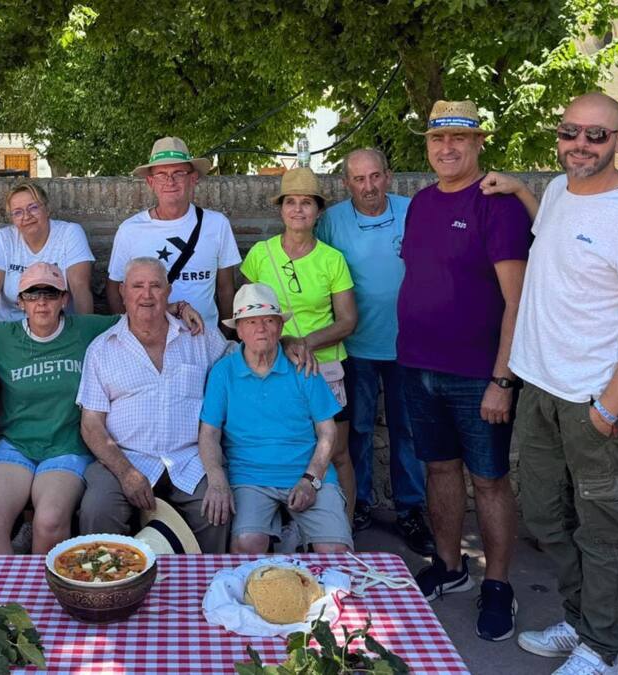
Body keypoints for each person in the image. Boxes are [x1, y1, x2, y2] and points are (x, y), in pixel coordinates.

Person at [483, 93, 618, 675]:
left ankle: (603, 649)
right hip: (541, 387)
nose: (581, 144)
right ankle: (579, 619)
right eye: (571, 132)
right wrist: (520, 190)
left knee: (605, 530)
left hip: (596, 402)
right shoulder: (563, 192)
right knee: (545, 515)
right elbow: (556, 236)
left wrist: (609, 408)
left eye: (596, 135)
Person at [0, 263, 204, 555]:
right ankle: (0, 607)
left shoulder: (89, 329)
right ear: (20, 301)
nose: (42, 302)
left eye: (51, 293)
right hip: (15, 446)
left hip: (66, 446)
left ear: (64, 299)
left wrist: (178, 308)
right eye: (33, 294)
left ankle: (44, 606)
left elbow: (141, 313)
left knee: (50, 520)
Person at [398, 100, 531, 642]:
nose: (446, 148)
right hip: (417, 364)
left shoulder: (497, 205)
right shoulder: (421, 204)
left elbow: (517, 301)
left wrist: (503, 379)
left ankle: (497, 584)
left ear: (479, 144)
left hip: (479, 373)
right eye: (437, 139)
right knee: (439, 470)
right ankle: (450, 566)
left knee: (491, 480)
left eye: (459, 139)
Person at [317, 148, 433, 555]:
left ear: (389, 175)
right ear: (346, 183)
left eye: (375, 177)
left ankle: (410, 510)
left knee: (408, 432)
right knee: (360, 429)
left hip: (408, 344)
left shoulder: (414, 211)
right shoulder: (331, 221)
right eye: (358, 179)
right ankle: (359, 503)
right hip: (355, 347)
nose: (368, 187)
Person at [78, 257, 231, 553]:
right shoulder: (102, 348)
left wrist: (287, 342)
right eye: (137, 286)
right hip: (125, 458)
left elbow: (243, 360)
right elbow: (91, 423)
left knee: (216, 510)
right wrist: (125, 472)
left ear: (169, 291)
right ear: (122, 292)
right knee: (97, 509)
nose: (146, 295)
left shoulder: (199, 338)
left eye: (155, 286)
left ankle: (207, 592)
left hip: (189, 458)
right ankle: (108, 591)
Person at [238, 168, 359, 527]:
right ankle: (287, 528)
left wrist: (302, 343)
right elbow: (244, 311)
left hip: (326, 368)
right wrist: (283, 343)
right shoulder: (261, 254)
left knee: (337, 453)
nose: (298, 210)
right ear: (281, 210)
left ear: (318, 211)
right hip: (273, 368)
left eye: (306, 203)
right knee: (286, 449)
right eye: (291, 202)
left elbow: (348, 321)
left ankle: (343, 527)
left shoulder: (331, 259)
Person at [199, 283, 351, 554]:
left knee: (335, 551)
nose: (261, 328)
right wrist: (216, 476)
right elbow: (209, 432)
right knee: (247, 546)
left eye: (270, 320)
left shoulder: (303, 365)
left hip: (306, 473)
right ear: (239, 329)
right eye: (252, 321)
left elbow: (328, 432)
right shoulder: (224, 372)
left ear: (281, 327)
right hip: (250, 476)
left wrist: (311, 478)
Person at [106, 137, 241, 328]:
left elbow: (225, 288)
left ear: (192, 178)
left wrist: (226, 334)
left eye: (179, 173)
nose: (170, 181)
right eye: (161, 174)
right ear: (151, 182)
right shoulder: (130, 230)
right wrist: (128, 331)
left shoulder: (217, 224)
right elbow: (115, 288)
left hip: (202, 338)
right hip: (150, 340)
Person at [0, 182, 95, 323]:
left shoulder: (69, 233)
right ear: (12, 218)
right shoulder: (3, 238)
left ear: (47, 209)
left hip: (59, 327)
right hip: (11, 327)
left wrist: (84, 335)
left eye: (33, 207)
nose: (26, 216)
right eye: (18, 212)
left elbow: (81, 289)